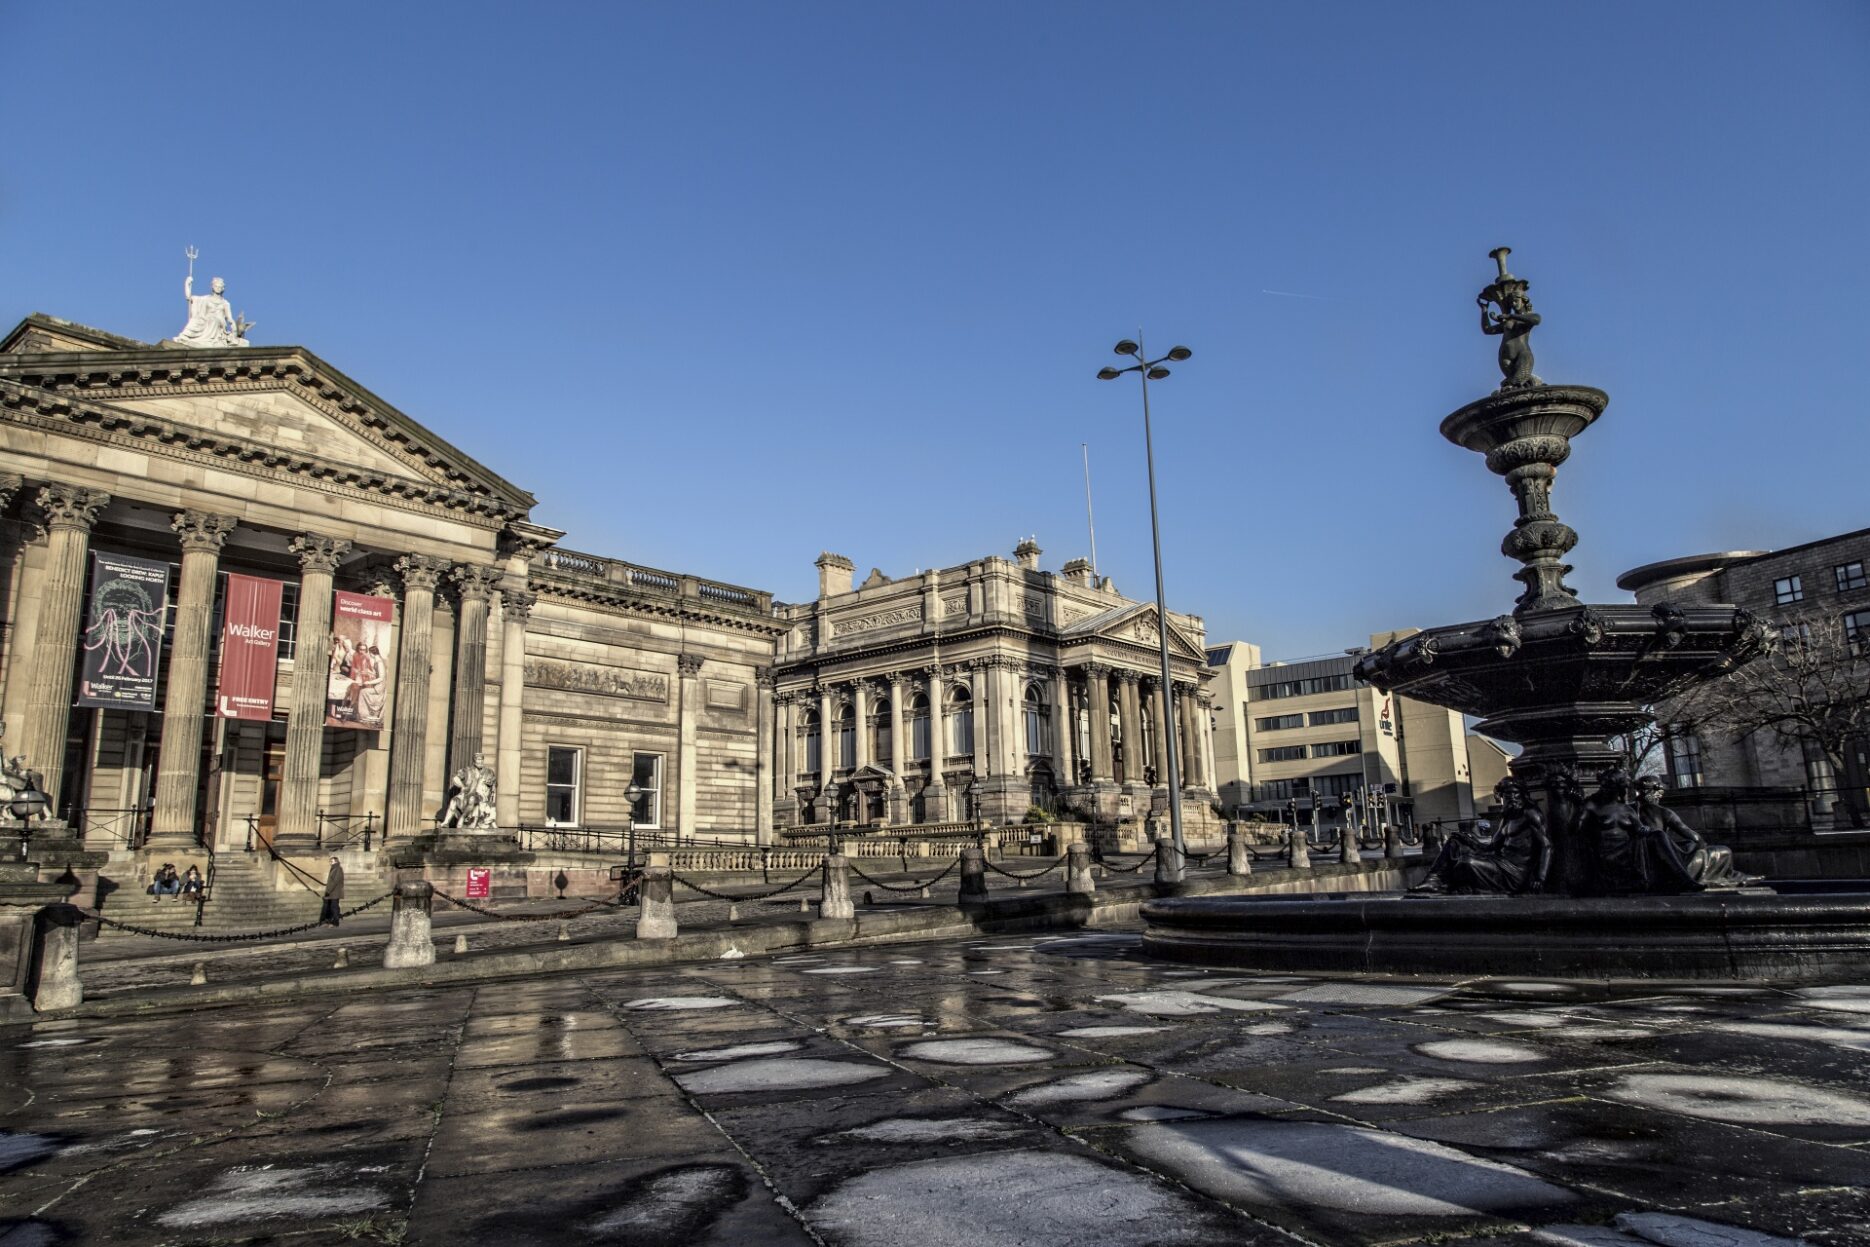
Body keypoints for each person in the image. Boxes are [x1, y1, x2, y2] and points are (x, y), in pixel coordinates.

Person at [1409, 777, 1550, 895]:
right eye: (1507, 795)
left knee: (1467, 862)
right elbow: (1491, 847)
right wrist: (1469, 840)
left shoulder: (1531, 814)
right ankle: (1432, 881)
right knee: (1454, 841)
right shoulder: (1507, 816)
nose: (1512, 798)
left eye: (1515, 793)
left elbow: (1547, 846)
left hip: (1513, 873)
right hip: (1498, 862)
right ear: (1502, 797)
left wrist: (1541, 878)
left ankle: (1446, 885)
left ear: (1523, 794)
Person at [320, 856, 345, 926]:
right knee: (333, 906)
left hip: (335, 892)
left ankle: (336, 922)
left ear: (336, 862)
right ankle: (332, 920)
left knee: (334, 906)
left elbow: (335, 881)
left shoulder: (338, 869)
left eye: (332, 861)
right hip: (333, 891)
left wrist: (329, 891)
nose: (330, 863)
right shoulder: (334, 868)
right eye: (330, 861)